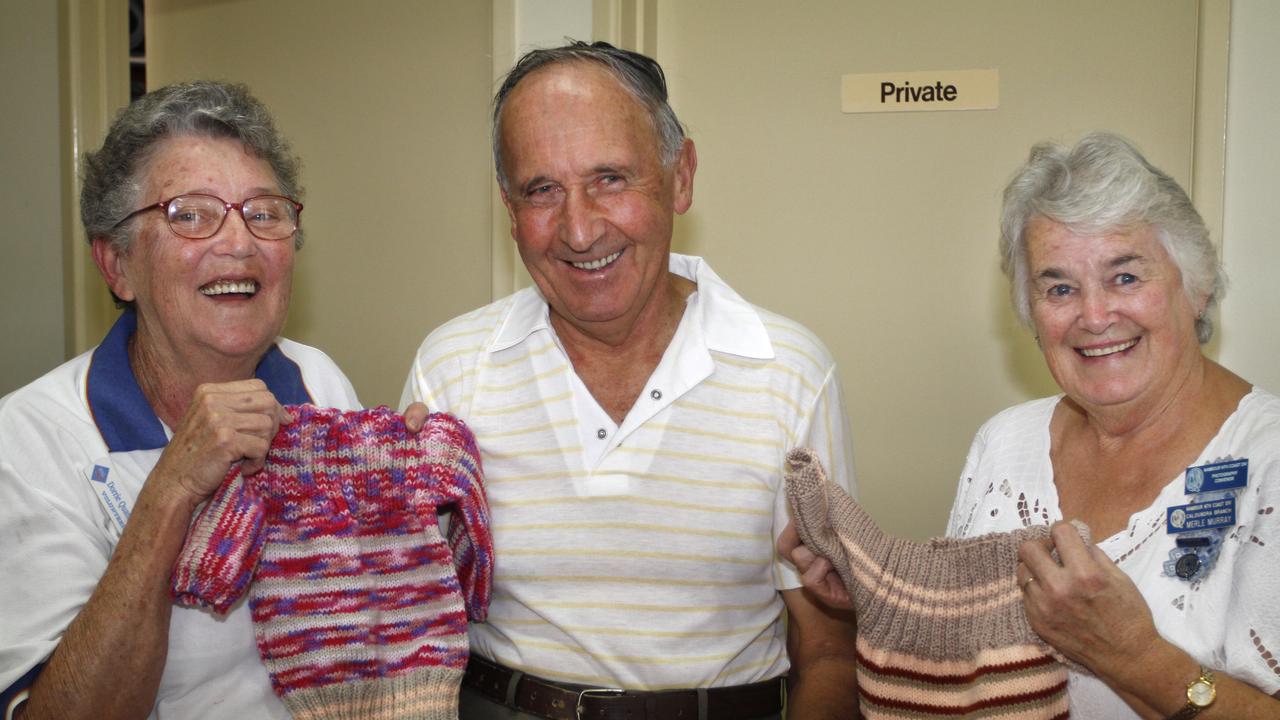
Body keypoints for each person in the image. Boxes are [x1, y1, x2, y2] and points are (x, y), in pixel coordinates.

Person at [401, 41, 859, 719]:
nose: (579, 230)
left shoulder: (786, 370)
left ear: (680, 177)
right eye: (542, 190)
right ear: (508, 206)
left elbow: (828, 650)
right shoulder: (454, 366)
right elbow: (406, 626)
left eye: (610, 178)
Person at [785, 132, 1280, 718]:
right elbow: (969, 672)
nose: (1094, 317)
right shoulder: (1004, 443)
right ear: (1030, 310)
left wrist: (1134, 656)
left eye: (1125, 276)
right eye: (1060, 287)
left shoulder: (1267, 460)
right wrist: (877, 604)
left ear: (1195, 287)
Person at [0, 81, 429, 719]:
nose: (239, 243)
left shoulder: (318, 384)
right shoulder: (32, 438)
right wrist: (171, 491)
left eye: (262, 212)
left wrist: (410, 516)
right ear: (117, 265)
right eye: (191, 214)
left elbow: (363, 631)